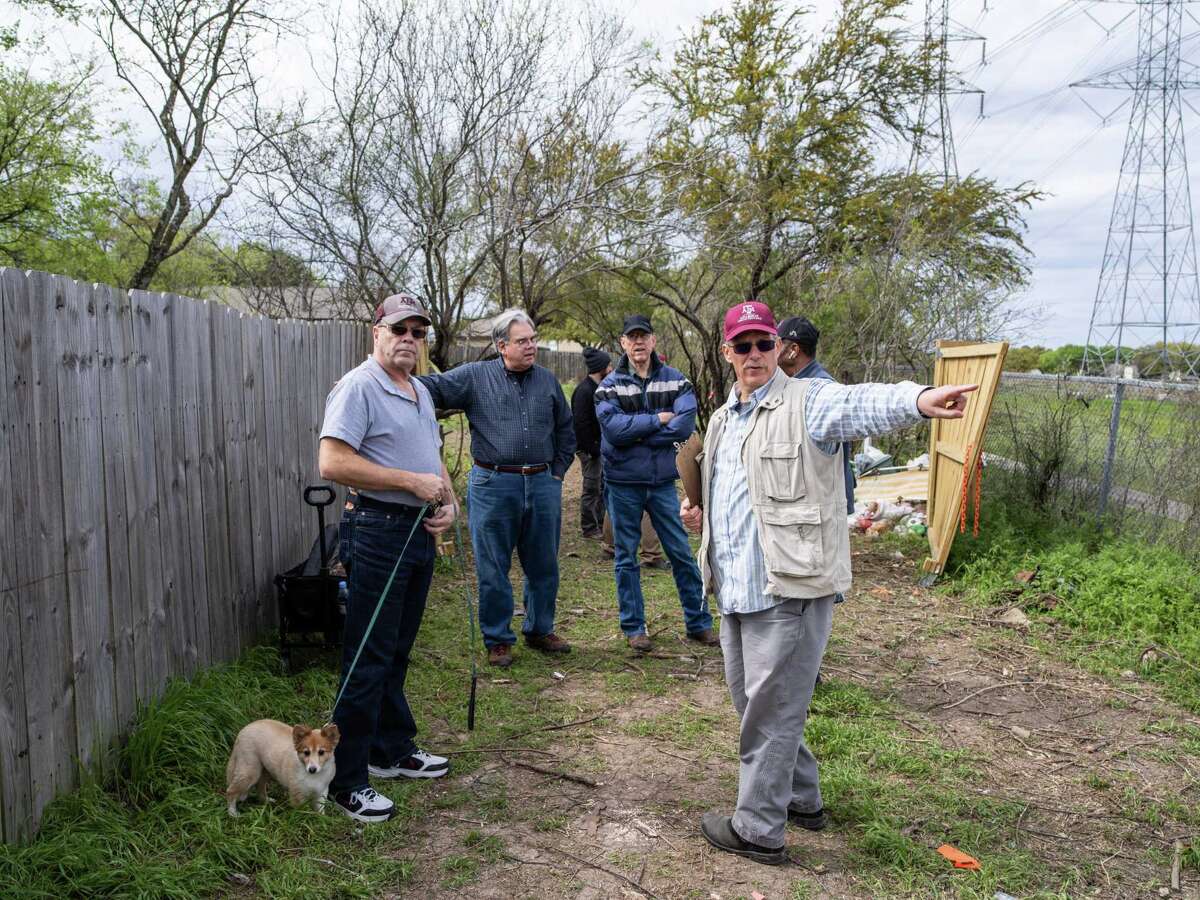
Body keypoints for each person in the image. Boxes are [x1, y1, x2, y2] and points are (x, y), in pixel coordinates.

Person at [680, 301, 977, 865]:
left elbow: (859, 403)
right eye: (742, 346)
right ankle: (800, 796)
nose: (754, 355)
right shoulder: (722, 419)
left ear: (780, 348)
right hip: (735, 588)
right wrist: (702, 516)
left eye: (763, 344)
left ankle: (758, 829)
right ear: (728, 352)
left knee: (770, 712)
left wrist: (918, 400)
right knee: (756, 703)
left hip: (789, 589)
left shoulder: (809, 402)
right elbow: (727, 493)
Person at [317, 293, 458, 824]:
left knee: (398, 648)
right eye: (400, 329)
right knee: (367, 656)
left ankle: (390, 748)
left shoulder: (419, 390)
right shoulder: (358, 387)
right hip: (376, 529)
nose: (409, 340)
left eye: (419, 333)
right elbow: (332, 461)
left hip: (418, 531)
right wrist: (410, 482)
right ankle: (346, 779)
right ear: (376, 331)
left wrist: (449, 500)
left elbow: (434, 457)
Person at [419, 309, 575, 668]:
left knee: (544, 565)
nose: (531, 346)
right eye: (523, 341)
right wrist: (382, 377)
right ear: (501, 346)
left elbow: (566, 429)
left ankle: (539, 629)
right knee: (492, 566)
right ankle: (498, 638)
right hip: (492, 483)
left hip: (542, 483)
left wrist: (557, 473)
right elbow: (430, 387)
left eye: (533, 339)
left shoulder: (548, 382)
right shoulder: (475, 377)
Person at [595, 314, 715, 652]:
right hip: (622, 484)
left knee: (680, 551)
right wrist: (656, 420)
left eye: (643, 337)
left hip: (662, 482)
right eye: (631, 337)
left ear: (653, 340)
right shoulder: (609, 386)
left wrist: (638, 429)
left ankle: (699, 623)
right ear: (622, 343)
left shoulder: (677, 381)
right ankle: (635, 629)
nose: (638, 343)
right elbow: (613, 431)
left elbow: (683, 426)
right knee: (626, 558)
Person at [777, 316, 856, 514]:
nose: (769, 351)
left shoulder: (819, 390)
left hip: (821, 505)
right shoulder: (794, 385)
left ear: (793, 350)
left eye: (776, 344)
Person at [573, 347, 612, 538]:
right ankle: (589, 527)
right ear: (600, 368)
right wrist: (593, 450)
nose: (611, 369)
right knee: (591, 487)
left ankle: (601, 524)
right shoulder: (584, 391)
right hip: (589, 450)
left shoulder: (599, 388)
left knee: (601, 487)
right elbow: (581, 425)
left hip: (599, 447)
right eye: (608, 365)